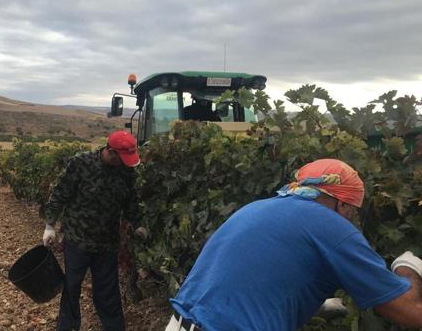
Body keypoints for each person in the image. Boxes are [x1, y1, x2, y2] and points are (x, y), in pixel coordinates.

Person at [166, 159, 422, 331]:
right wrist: (407, 266)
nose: (352, 219)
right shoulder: (332, 227)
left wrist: (319, 307)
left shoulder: (256, 208)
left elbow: (257, 283)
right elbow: (410, 313)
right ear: (343, 204)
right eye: (353, 211)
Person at [43, 130, 146, 331]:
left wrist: (138, 223)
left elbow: (131, 201)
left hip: (107, 243)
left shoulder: (126, 171)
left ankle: (114, 328)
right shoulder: (81, 163)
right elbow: (60, 193)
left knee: (108, 291)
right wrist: (49, 225)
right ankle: (68, 327)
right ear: (110, 151)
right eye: (122, 158)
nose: (124, 162)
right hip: (77, 240)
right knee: (71, 287)